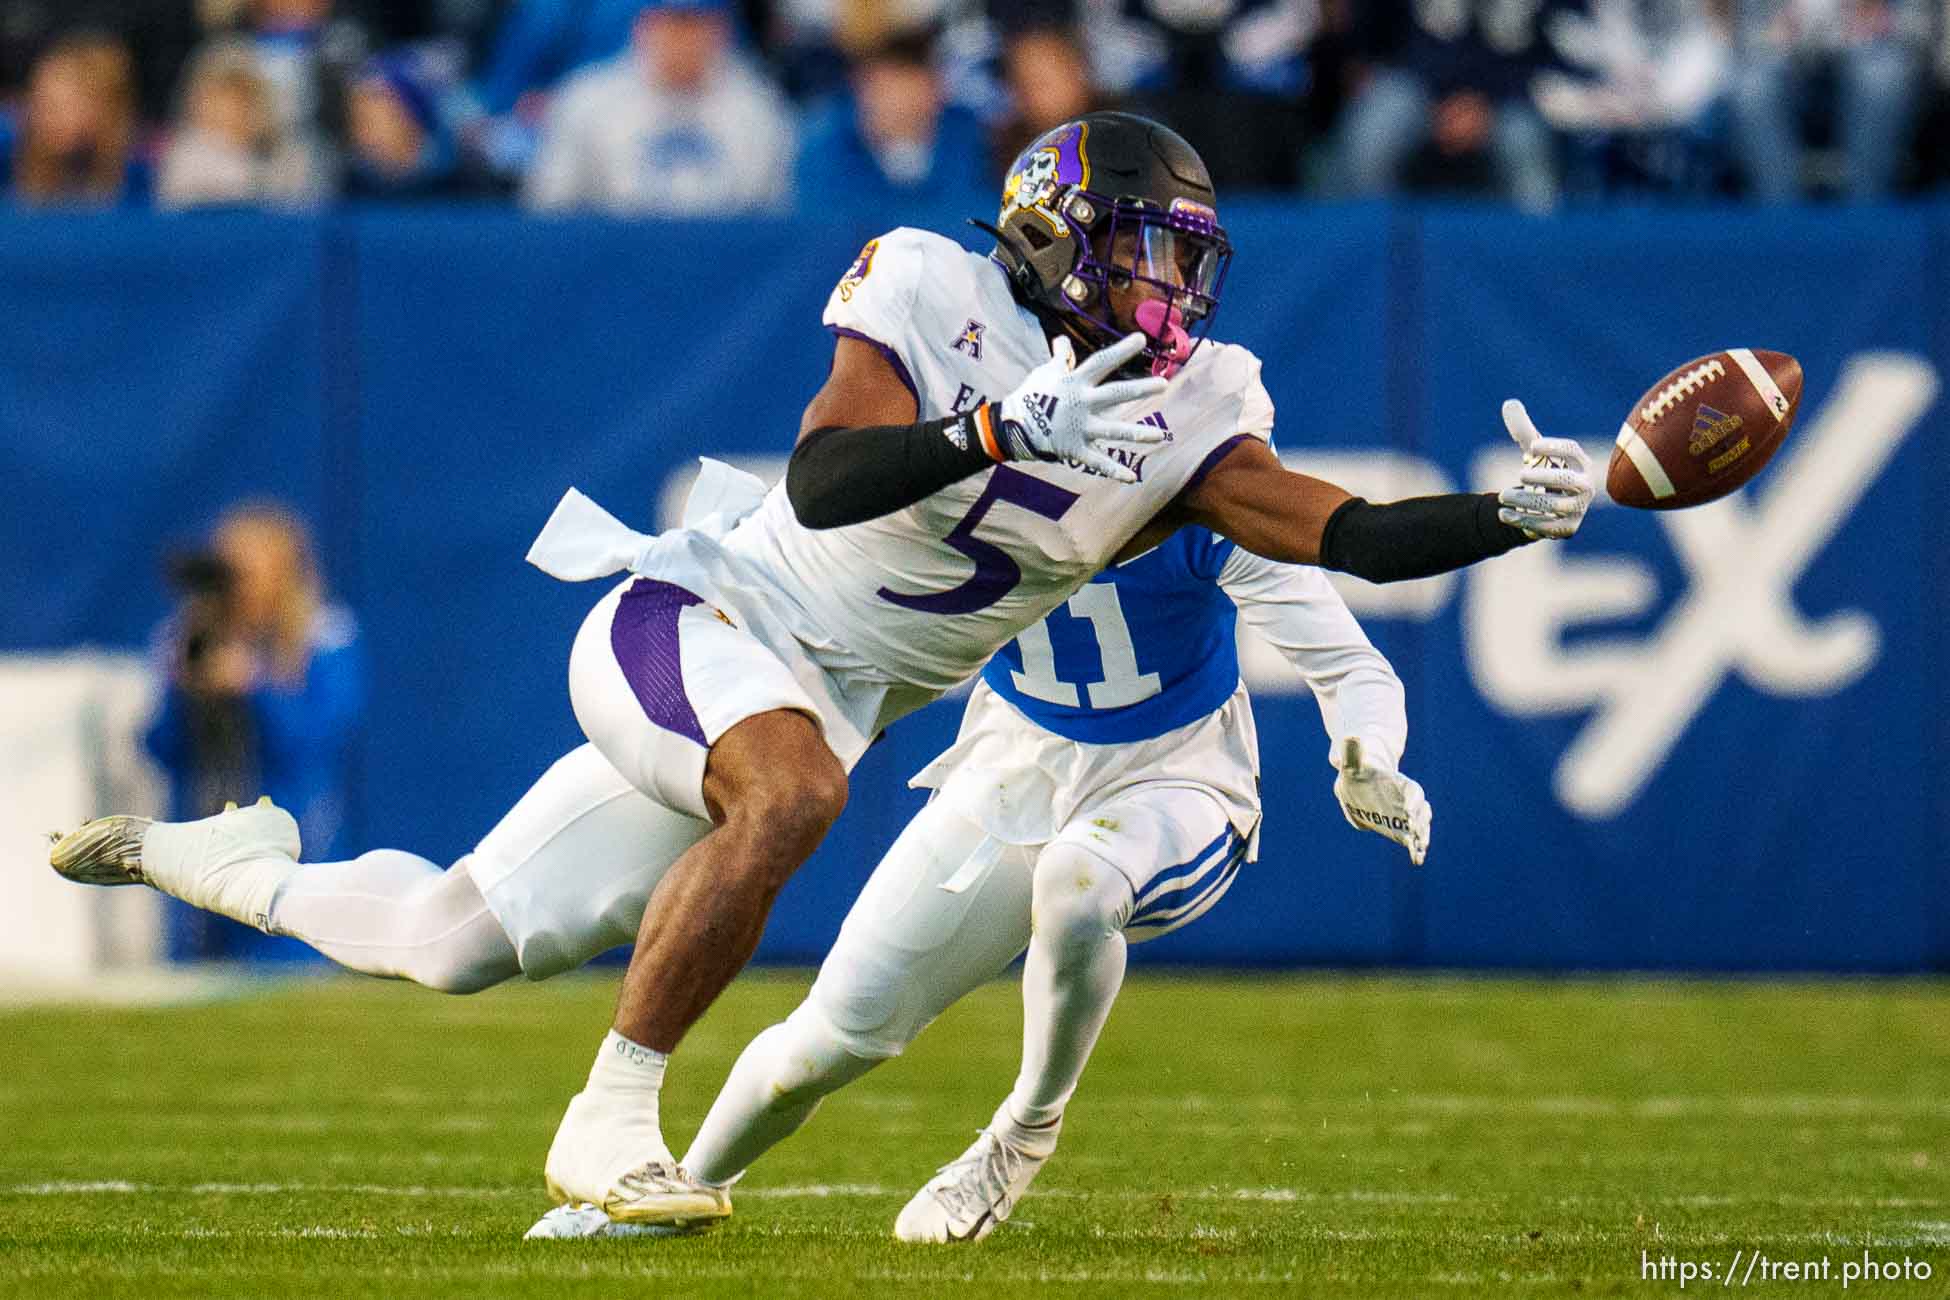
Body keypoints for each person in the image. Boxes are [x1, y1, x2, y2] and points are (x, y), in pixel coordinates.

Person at [51, 111, 1592, 1231]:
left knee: (455, 938)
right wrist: (995, 429)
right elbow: (820, 478)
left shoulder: (1193, 413)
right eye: (1140, 252)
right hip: (701, 622)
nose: (1167, 293)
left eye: (1187, 263)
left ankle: (233, 865)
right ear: (1053, 232)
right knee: (792, 792)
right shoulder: (931, 282)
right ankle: (605, 1127)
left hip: (822, 690)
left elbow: (1354, 535)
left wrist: (1500, 519)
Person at [528, 519, 1426, 1241]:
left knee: (1079, 883)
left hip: (1178, 777)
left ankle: (1024, 1131)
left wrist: (1367, 757)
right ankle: (685, 1190)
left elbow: (1350, 664)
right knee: (821, 1042)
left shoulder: (1208, 494)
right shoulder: (970, 488)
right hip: (1012, 768)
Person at [139, 502, 366, 957]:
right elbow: (160, 747)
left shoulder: (323, 638)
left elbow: (316, 740)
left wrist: (254, 687)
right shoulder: (191, 639)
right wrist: (187, 688)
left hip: (295, 849)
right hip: (204, 847)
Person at [522, 0, 795, 215]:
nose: (681, 41)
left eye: (694, 25)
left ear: (721, 31)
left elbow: (778, 220)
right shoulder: (587, 101)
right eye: (669, 24)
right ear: (641, 26)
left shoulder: (759, 109)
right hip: (612, 267)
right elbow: (550, 212)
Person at [0, 32, 150, 208]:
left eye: (60, 106)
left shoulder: (143, 175)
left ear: (106, 109)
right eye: (39, 102)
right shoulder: (9, 160)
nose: (44, 116)